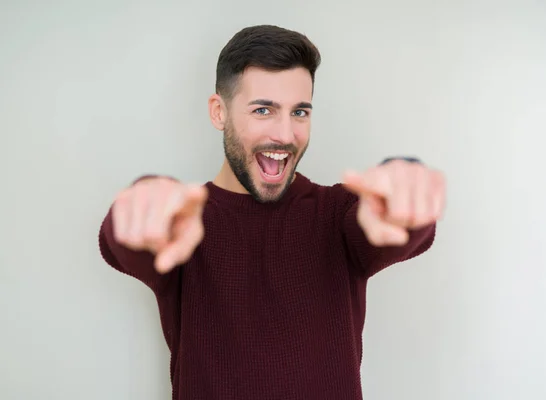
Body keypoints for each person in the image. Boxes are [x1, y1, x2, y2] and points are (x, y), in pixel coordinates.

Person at [98, 24, 445, 400]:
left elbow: (398, 224)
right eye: (263, 110)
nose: (285, 134)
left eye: (299, 112)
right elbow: (124, 239)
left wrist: (403, 198)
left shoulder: (339, 214)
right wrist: (144, 201)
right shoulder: (183, 222)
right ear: (219, 112)